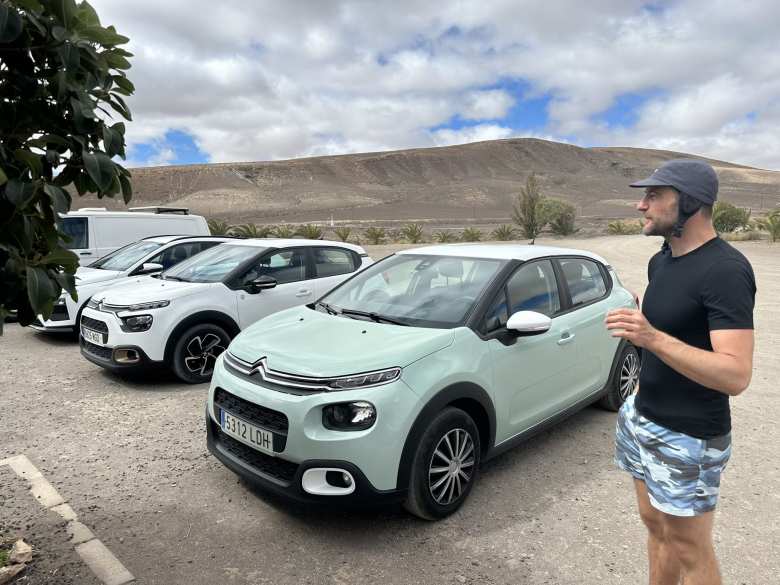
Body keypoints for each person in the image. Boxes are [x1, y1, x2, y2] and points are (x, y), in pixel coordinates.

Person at [605, 159, 756, 585]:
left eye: (654, 195)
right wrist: (642, 332)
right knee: (655, 528)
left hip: (689, 435)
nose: (641, 205)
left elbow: (736, 375)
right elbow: (671, 335)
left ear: (689, 203)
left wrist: (652, 337)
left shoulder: (725, 270)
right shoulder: (663, 260)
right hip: (642, 417)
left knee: (689, 548)